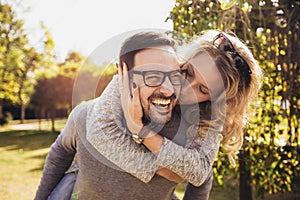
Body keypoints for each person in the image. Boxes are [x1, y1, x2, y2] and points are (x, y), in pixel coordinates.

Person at [35, 31, 216, 200]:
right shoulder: (85, 116)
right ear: (123, 75)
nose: (168, 90)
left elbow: (202, 176)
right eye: (153, 76)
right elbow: (60, 153)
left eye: (174, 75)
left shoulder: (184, 131)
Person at [85, 30, 263, 198]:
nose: (186, 88)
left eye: (203, 89)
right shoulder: (135, 77)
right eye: (186, 72)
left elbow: (200, 172)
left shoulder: (211, 116)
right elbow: (97, 130)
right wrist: (164, 171)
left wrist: (140, 130)